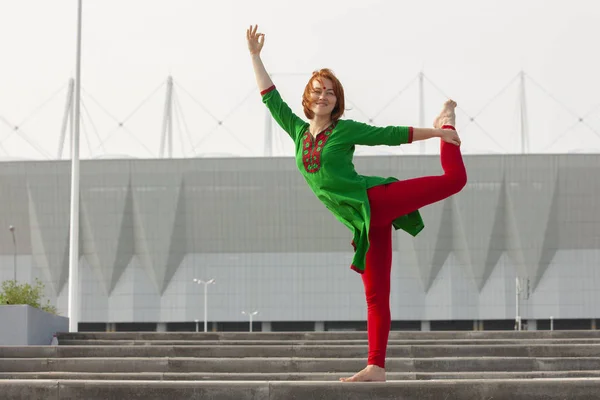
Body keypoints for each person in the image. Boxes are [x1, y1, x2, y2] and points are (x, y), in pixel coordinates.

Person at [246, 25, 467, 382]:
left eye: (330, 93)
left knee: (455, 180)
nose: (323, 97)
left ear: (337, 100)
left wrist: (438, 132)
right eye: (318, 92)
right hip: (364, 224)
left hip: (375, 199)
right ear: (308, 98)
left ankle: (447, 121)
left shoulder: (344, 130)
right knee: (376, 296)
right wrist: (255, 56)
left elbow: (389, 136)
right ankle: (376, 367)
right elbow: (271, 98)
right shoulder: (299, 132)